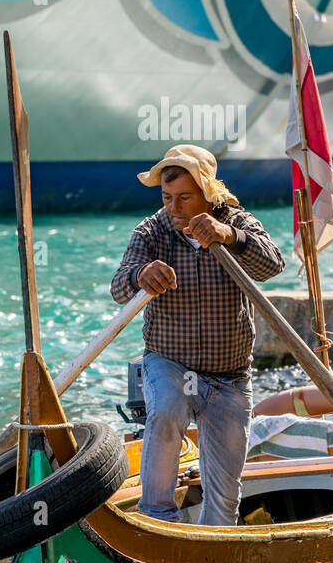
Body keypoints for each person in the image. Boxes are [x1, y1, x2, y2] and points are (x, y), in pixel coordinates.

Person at [110, 144, 285, 525]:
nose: (174, 207)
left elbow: (272, 264)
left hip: (230, 377)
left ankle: (213, 553)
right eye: (167, 197)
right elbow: (119, 289)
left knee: (223, 504)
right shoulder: (152, 231)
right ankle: (157, 520)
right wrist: (140, 276)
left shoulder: (238, 223)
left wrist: (229, 237)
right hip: (169, 363)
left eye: (184, 198)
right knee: (168, 410)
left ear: (208, 193)